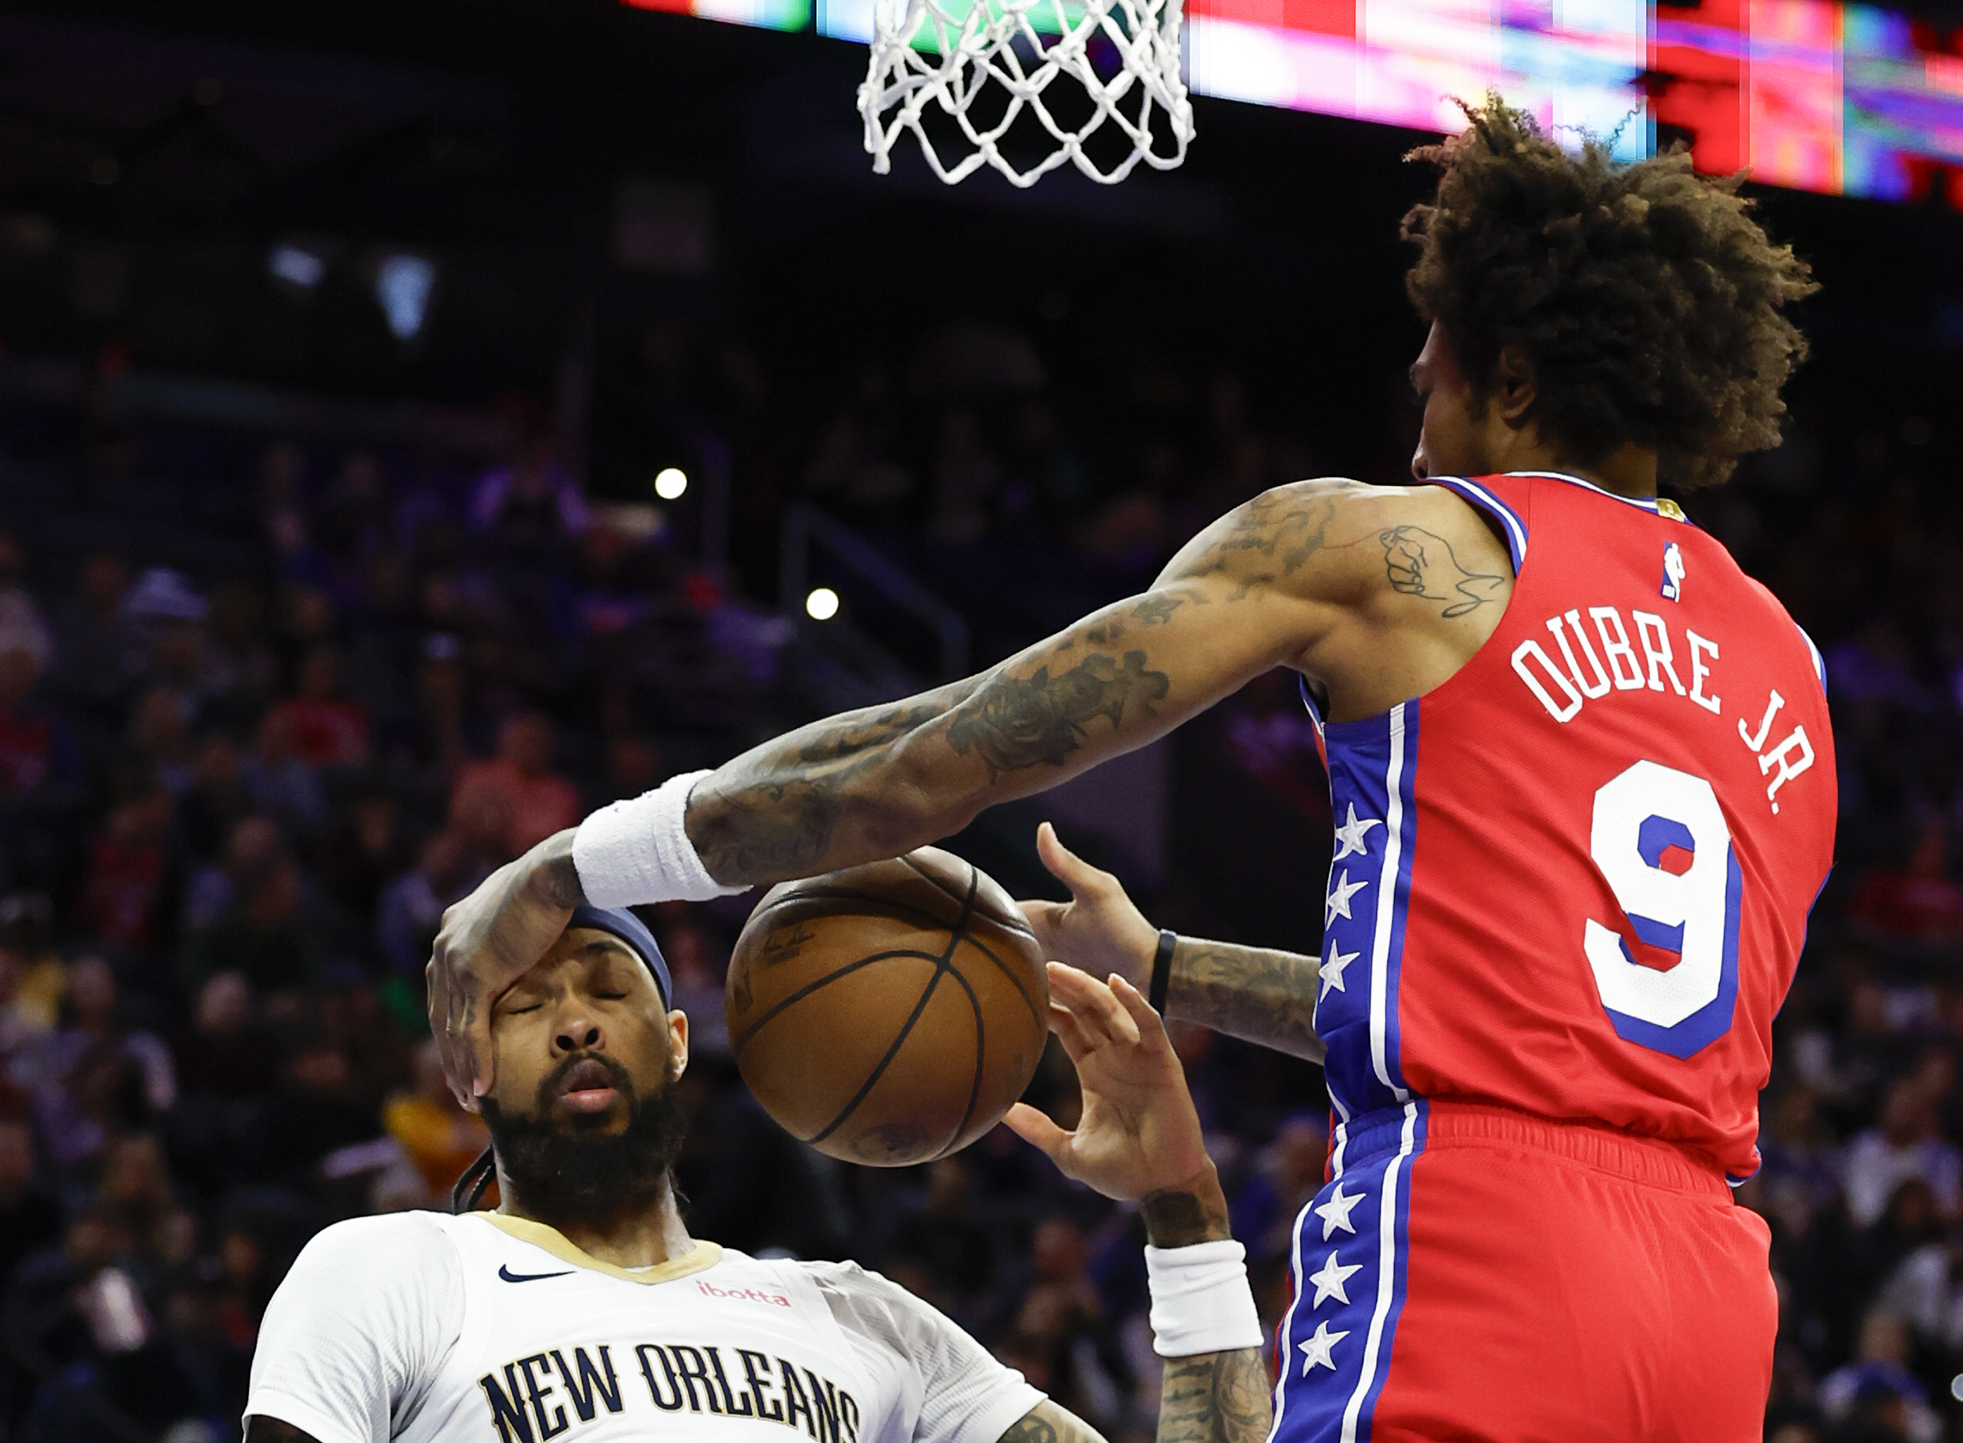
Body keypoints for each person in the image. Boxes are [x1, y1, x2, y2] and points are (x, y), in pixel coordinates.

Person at [432, 97, 1829, 1440]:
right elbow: (1517, 1026)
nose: (1415, 426)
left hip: (1482, 1249)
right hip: (1710, 1293)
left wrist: (573, 860)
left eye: (1436, 381)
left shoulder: (1393, 550)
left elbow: (921, 766)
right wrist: (1163, 964)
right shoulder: (1787, 667)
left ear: (1514, 380)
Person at [246, 911, 1271, 1443]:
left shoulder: (859, 1318)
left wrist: (1185, 1207)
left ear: (680, 1041)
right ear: (469, 1069)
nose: (574, 1020)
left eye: (610, 987)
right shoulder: (393, 1268)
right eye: (523, 1006)